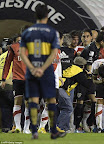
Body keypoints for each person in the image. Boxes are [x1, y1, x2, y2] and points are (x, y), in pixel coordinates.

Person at [20, 4, 65, 139]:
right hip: (46, 70)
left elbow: (22, 53)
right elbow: (53, 54)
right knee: (51, 100)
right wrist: (43, 68)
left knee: (33, 100)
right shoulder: (52, 32)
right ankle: (53, 131)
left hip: (32, 70)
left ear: (36, 15)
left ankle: (33, 131)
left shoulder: (27, 32)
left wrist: (33, 68)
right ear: (47, 15)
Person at [1, 32, 31, 134]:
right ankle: (18, 127)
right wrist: (3, 79)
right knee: (17, 102)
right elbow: (7, 63)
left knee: (28, 104)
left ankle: (26, 128)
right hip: (17, 79)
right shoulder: (13, 48)